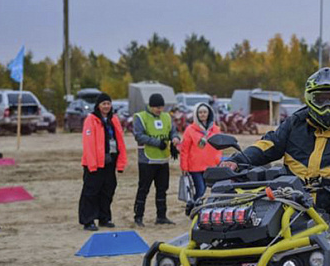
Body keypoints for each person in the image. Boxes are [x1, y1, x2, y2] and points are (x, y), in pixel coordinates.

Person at [222, 68, 330, 230]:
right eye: (320, 99)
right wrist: (236, 161)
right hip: (292, 205)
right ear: (310, 98)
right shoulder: (295, 123)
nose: (327, 105)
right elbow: (269, 144)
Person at [79, 93, 127, 230]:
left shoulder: (114, 119)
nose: (106, 106)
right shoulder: (91, 120)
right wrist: (92, 164)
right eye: (103, 104)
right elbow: (88, 144)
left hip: (110, 161)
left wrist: (121, 162)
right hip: (95, 163)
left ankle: (104, 217)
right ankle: (88, 220)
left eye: (108, 103)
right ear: (98, 106)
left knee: (108, 190)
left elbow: (120, 141)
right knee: (91, 192)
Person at [132, 93, 181, 227]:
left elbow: (172, 131)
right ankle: (138, 217)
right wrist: (157, 143)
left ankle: (161, 216)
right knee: (143, 189)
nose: (159, 110)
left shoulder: (167, 117)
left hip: (163, 160)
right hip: (147, 160)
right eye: (157, 107)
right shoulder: (140, 117)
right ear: (151, 106)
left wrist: (175, 138)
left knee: (162, 189)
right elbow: (139, 136)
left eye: (161, 107)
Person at [180, 102, 222, 200]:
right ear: (196, 114)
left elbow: (219, 147)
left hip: (211, 165)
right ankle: (194, 206)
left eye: (205, 112)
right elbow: (184, 150)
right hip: (195, 167)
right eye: (200, 112)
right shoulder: (190, 130)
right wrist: (184, 167)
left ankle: (194, 205)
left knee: (208, 190)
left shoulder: (215, 129)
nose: (202, 114)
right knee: (200, 190)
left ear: (209, 113)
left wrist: (218, 160)